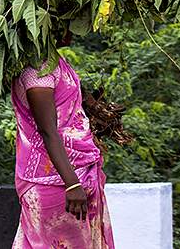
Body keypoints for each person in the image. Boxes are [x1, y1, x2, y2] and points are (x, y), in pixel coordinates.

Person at [11, 39, 115, 249]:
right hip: (55, 183)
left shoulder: (52, 62)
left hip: (70, 176)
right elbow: (47, 131)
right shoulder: (37, 71)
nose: (73, 31)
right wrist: (73, 184)